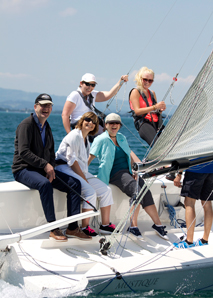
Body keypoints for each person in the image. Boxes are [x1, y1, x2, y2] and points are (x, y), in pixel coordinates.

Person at [12, 94, 91, 242]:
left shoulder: (47, 127)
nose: (45, 109)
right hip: (23, 169)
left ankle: (72, 227)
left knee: (75, 184)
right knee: (44, 184)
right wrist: (45, 165)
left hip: (41, 169)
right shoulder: (26, 125)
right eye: (42, 105)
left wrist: (51, 168)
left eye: (48, 106)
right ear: (35, 107)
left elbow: (49, 152)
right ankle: (53, 228)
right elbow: (24, 152)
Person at [88, 113, 168, 240]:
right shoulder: (101, 139)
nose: (114, 125)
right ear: (106, 125)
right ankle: (133, 226)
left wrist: (137, 169)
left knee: (146, 192)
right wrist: (81, 174)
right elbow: (90, 157)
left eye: (117, 123)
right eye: (111, 123)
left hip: (128, 171)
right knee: (136, 192)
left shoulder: (121, 138)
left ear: (120, 125)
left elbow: (130, 153)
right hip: (114, 173)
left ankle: (158, 225)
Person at [55, 111, 115, 237]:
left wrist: (84, 176)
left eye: (94, 122)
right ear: (82, 121)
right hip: (65, 168)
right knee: (90, 192)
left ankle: (105, 225)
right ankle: (84, 227)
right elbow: (71, 161)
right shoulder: (74, 135)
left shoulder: (86, 139)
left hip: (79, 171)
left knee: (106, 190)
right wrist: (84, 178)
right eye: (88, 119)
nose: (91, 123)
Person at [62, 73, 128, 136]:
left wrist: (120, 81)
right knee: (104, 138)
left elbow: (109, 94)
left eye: (93, 85)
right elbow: (65, 115)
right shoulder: (75, 95)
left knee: (111, 134)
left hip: (92, 123)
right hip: (80, 124)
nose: (90, 87)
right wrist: (69, 134)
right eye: (87, 84)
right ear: (81, 83)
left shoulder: (92, 94)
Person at [173, 163, 213, 248]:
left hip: (195, 169)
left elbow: (185, 155)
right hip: (211, 170)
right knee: (207, 203)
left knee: (189, 203)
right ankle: (205, 240)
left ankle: (189, 242)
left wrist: (179, 174)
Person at [129, 66, 166, 146]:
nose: (147, 82)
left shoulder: (152, 93)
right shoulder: (135, 92)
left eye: (150, 80)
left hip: (157, 124)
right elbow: (137, 111)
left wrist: (160, 109)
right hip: (144, 124)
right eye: (145, 79)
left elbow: (155, 110)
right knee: (158, 146)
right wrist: (155, 107)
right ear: (139, 78)